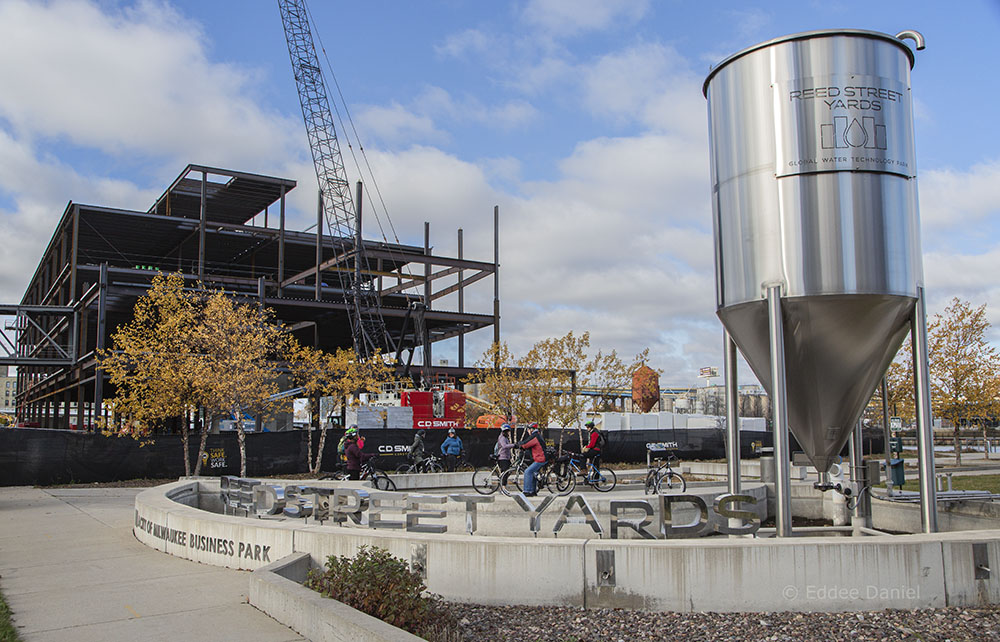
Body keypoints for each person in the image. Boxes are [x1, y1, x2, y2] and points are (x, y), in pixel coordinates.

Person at [518, 423, 546, 497]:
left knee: (528, 472)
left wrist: (518, 445)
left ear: (531, 429)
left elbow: (526, 444)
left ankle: (527, 491)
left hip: (540, 458)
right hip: (542, 457)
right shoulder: (537, 435)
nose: (527, 431)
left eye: (528, 430)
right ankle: (533, 491)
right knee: (533, 473)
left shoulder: (534, 436)